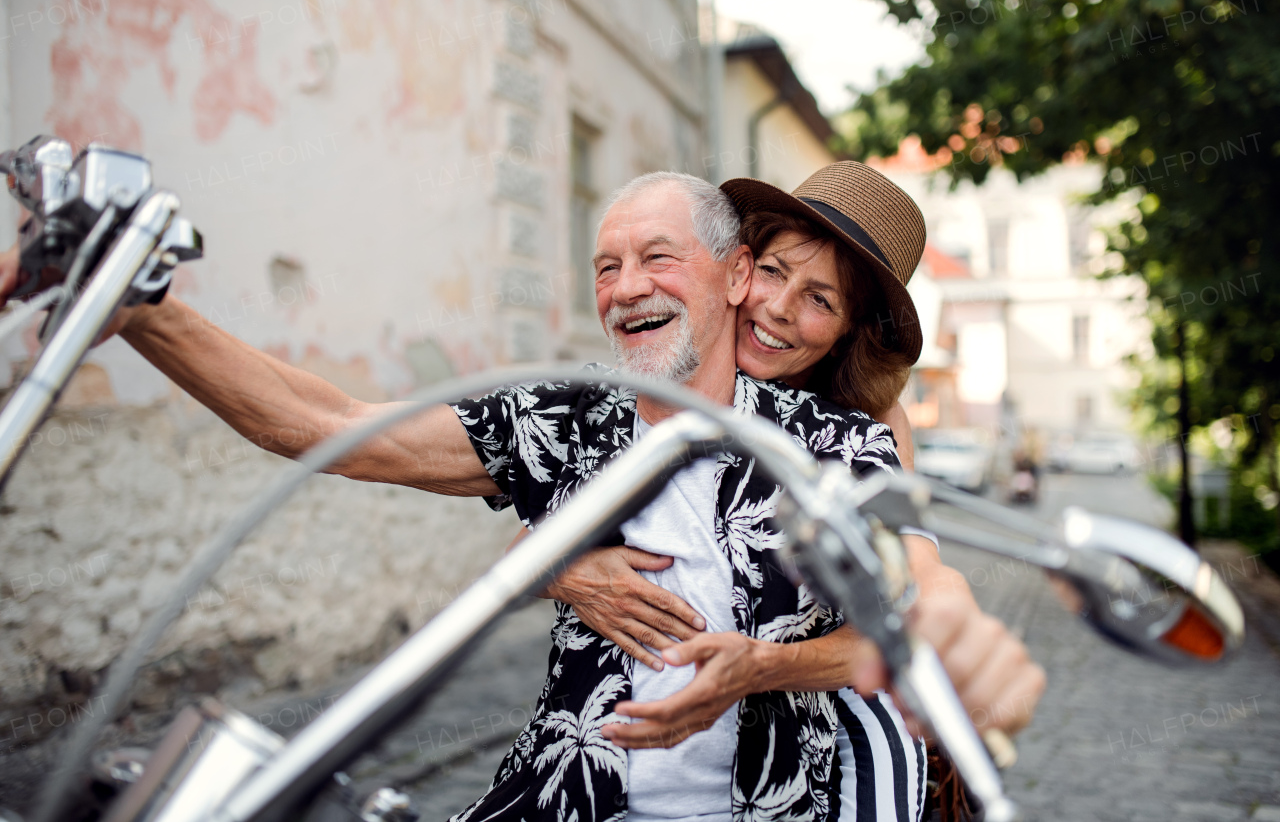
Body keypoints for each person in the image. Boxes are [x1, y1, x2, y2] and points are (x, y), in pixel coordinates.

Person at [0, 170, 1040, 822]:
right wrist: (139, 312)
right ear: (745, 271)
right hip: (565, 794)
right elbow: (321, 425)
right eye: (606, 265)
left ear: (719, 276)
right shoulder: (569, 415)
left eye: (655, 258)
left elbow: (917, 601)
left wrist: (766, 666)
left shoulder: (836, 439)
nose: (626, 284)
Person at [525, 164, 1038, 822]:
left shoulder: (870, 427)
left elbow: (918, 569)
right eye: (773, 271)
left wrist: (949, 615)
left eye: (820, 299)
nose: (778, 308)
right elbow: (532, 540)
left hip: (840, 692)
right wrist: (571, 566)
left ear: (852, 330)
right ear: (739, 268)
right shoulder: (679, 367)